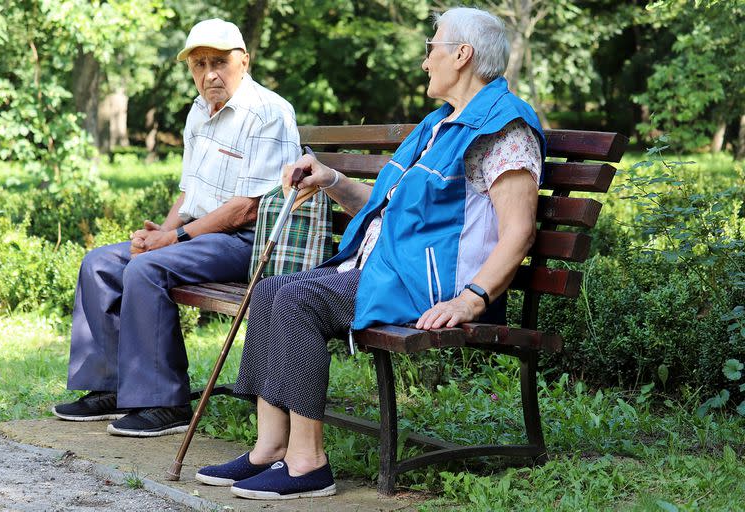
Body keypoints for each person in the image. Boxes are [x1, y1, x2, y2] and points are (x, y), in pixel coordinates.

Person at [195, 7, 546, 499]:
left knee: (300, 300)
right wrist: (332, 180)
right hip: (386, 268)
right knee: (274, 289)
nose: (426, 62)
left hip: (428, 286)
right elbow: (387, 207)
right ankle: (270, 446)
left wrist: (470, 301)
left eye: (432, 48)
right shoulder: (440, 125)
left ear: (462, 55)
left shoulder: (503, 129)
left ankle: (308, 463)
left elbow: (519, 232)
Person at [52, 18, 300, 437]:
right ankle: (114, 386)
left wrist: (172, 240)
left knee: (146, 269)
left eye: (219, 62)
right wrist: (157, 236)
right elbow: (190, 193)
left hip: (249, 243)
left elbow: (247, 209)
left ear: (244, 60)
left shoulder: (268, 113)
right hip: (203, 235)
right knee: (99, 263)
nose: (209, 74)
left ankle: (164, 403)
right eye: (199, 64)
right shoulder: (199, 112)